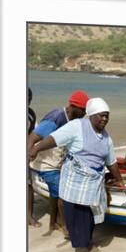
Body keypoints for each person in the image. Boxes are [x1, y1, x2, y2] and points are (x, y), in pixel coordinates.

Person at [30, 98, 125, 252]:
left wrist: (120, 180)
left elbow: (111, 162)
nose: (105, 119)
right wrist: (37, 148)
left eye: (107, 116)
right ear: (92, 115)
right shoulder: (77, 126)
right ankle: (82, 245)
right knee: (76, 213)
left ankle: (87, 242)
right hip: (75, 179)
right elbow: (54, 138)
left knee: (90, 215)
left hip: (94, 181)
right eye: (101, 115)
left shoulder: (106, 138)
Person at [28, 90, 89, 236]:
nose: (85, 113)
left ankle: (53, 223)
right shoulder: (55, 117)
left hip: (57, 163)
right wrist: (30, 154)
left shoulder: (75, 120)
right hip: (45, 164)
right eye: (83, 110)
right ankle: (66, 226)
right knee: (63, 192)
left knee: (56, 193)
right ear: (74, 107)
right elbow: (32, 137)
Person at [27, 88, 40, 228]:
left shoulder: (31, 114)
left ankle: (29, 216)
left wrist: (31, 151)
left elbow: (31, 135)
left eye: (29, 98)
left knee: (28, 184)